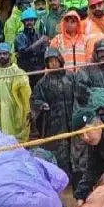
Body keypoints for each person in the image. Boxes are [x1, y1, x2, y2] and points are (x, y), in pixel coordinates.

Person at [31, 48, 80, 181]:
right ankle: (62, 178)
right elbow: (34, 99)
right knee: (59, 150)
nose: (53, 64)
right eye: (50, 61)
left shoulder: (71, 77)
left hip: (72, 117)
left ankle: (76, 178)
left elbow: (80, 93)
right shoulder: (43, 82)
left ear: (60, 60)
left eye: (55, 61)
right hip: (54, 122)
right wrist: (41, 105)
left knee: (76, 148)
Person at [14, 8, 48, 87]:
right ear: (23, 22)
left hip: (38, 71)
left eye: (31, 20)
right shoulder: (20, 36)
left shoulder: (38, 35)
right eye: (27, 20)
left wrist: (45, 45)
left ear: (34, 21)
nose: (29, 23)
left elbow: (43, 52)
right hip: (25, 71)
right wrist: (39, 43)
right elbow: (24, 53)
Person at [76, 39, 104, 105]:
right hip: (91, 108)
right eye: (100, 52)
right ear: (95, 53)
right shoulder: (85, 69)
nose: (103, 54)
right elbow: (81, 92)